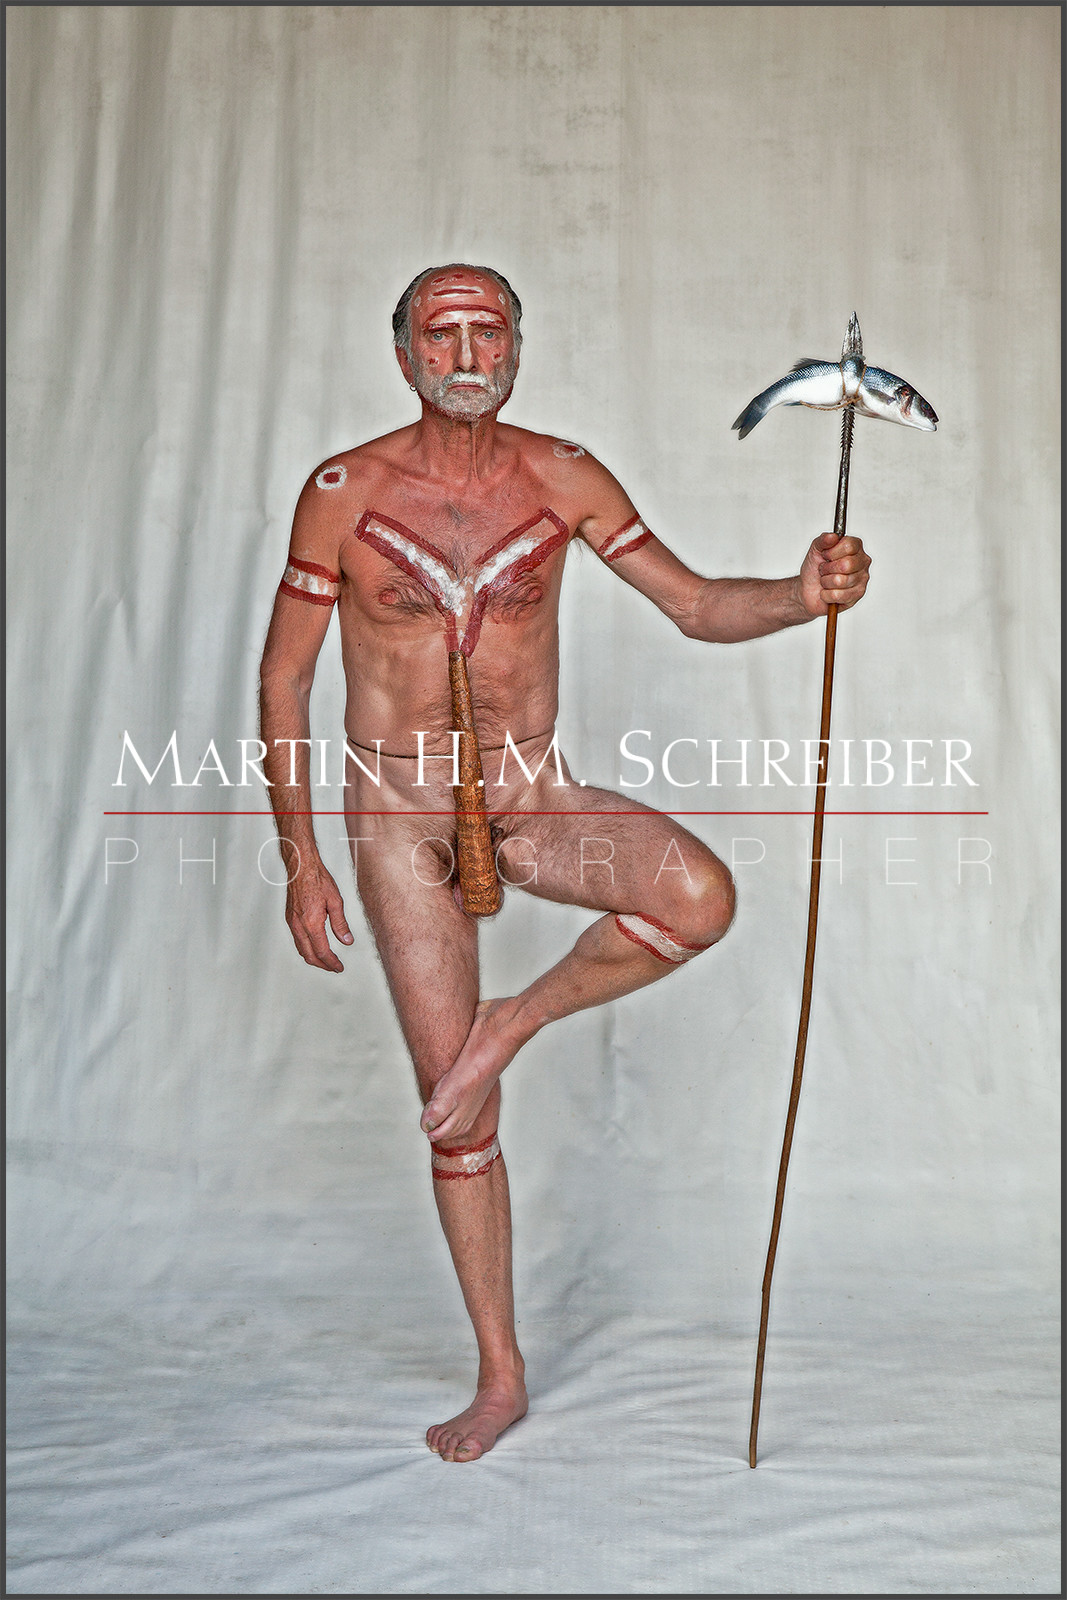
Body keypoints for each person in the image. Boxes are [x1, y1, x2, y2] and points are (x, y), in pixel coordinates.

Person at [258, 263, 870, 1462]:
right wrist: (301, 858)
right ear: (404, 355)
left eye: (488, 330)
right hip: (398, 811)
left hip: (529, 796)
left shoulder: (565, 476)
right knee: (456, 1115)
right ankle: (501, 1372)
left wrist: (799, 596)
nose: (466, 353)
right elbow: (284, 678)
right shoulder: (341, 493)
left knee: (696, 896)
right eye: (442, 333)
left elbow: (693, 605)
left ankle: (512, 1020)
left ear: (517, 346)